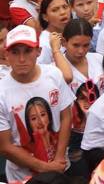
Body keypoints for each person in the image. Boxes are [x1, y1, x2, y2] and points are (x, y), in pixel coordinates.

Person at [0, 25, 74, 182]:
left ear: (39, 52)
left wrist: (59, 159)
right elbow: (5, 146)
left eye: (27, 51)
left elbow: (66, 117)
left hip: (59, 168)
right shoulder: (1, 92)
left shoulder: (54, 75)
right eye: (15, 52)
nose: (21, 59)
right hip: (22, 177)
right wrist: (46, 167)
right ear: (6, 54)